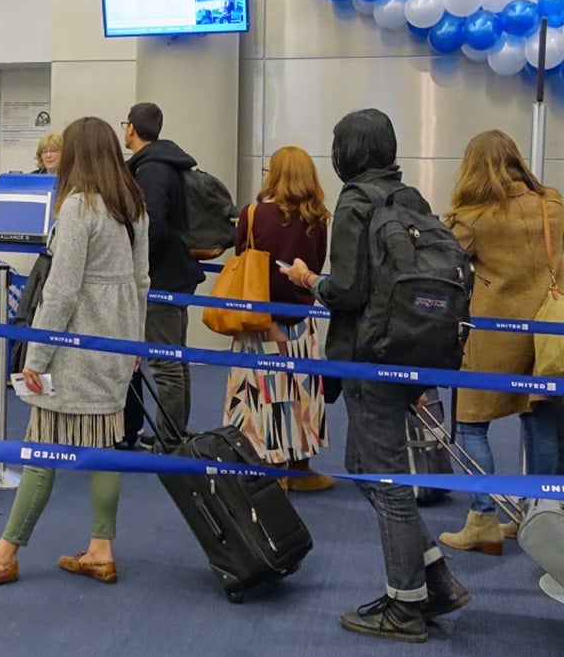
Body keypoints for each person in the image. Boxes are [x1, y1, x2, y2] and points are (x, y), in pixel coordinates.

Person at [280, 109, 468, 643]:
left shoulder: (356, 202)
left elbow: (349, 291)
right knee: (365, 467)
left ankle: (405, 602)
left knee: (382, 477)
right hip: (411, 350)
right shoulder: (410, 199)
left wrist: (309, 280)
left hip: (368, 354)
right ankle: (433, 579)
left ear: (349, 153)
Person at [0, 116, 149, 589]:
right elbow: (143, 282)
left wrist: (35, 358)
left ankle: (4, 556)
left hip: (74, 350)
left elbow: (60, 294)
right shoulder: (133, 205)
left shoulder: (80, 208)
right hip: (117, 343)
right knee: (103, 448)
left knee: (41, 449)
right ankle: (101, 550)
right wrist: (135, 343)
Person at [437, 130, 563, 553]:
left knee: (471, 424)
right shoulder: (554, 204)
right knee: (540, 417)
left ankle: (482, 520)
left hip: (492, 337)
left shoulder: (475, 217)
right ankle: (539, 516)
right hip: (548, 333)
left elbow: (442, 263)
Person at [222, 146, 332, 491]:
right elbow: (316, 265)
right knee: (301, 396)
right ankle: (300, 468)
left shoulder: (253, 214)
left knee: (259, 396)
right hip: (300, 321)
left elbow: (242, 257)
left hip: (258, 320)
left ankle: (268, 472)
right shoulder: (318, 220)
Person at [123, 102, 204, 444]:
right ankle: (175, 431)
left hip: (161, 278)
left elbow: (150, 229)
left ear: (131, 129)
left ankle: (170, 438)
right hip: (176, 273)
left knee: (165, 362)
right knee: (175, 358)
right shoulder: (167, 164)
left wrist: (136, 266)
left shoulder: (151, 170)